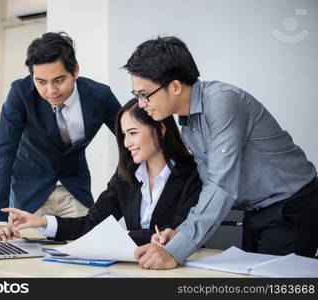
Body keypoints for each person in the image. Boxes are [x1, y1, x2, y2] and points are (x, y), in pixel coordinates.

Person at [123, 36, 318, 269]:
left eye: (145, 94)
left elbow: (221, 186)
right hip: (257, 213)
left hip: (292, 208)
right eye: (137, 96)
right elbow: (210, 187)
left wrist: (176, 251)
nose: (141, 103)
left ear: (174, 87)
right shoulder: (188, 123)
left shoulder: (221, 102)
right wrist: (180, 233)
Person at [1, 98, 202, 246]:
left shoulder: (192, 173)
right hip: (134, 267)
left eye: (133, 133)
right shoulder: (127, 173)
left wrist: (119, 237)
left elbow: (175, 234)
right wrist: (41, 221)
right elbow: (92, 224)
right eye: (124, 135)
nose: (126, 143)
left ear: (161, 129)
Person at [0, 32, 121, 241]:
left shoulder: (99, 96)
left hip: (75, 190)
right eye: (41, 81)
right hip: (29, 193)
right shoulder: (21, 93)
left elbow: (132, 139)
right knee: (25, 265)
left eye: (59, 80)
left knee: (89, 251)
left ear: (75, 71)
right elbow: (2, 151)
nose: (51, 91)